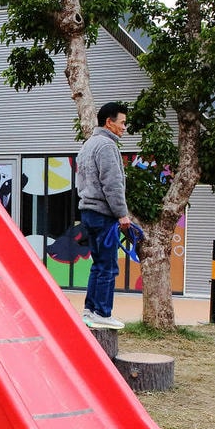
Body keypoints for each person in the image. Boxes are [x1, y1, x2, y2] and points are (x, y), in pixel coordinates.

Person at [76, 102, 132, 330]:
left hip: (88, 212)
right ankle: (102, 312)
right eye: (122, 123)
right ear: (109, 122)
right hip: (104, 214)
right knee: (109, 266)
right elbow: (112, 184)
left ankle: (89, 310)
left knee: (98, 264)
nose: (124, 127)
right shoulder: (107, 146)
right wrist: (122, 214)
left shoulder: (87, 145)